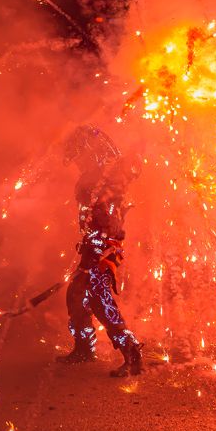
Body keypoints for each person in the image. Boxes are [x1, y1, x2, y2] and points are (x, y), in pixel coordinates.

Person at [57, 125, 143, 377]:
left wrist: (99, 244)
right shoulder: (95, 176)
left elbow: (110, 215)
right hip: (93, 244)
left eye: (80, 156)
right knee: (76, 294)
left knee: (97, 298)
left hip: (104, 248)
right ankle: (84, 349)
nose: (77, 162)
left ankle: (131, 351)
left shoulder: (110, 176)